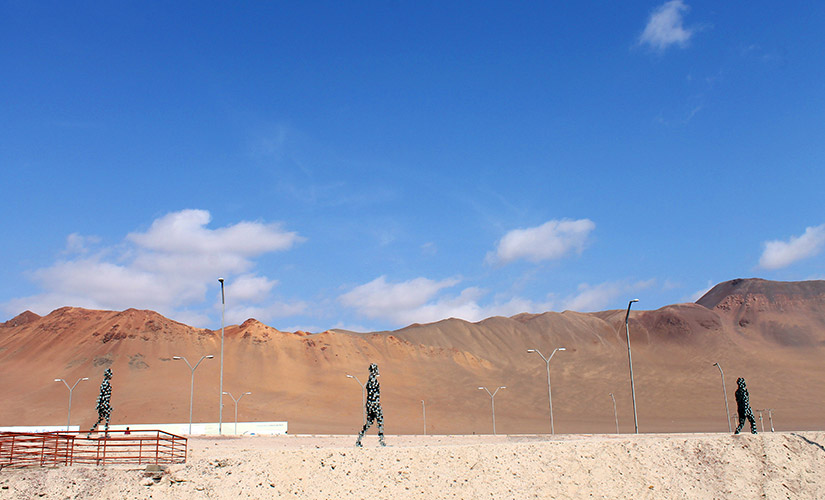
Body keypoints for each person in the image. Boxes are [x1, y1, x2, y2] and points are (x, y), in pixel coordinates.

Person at [356, 363, 386, 447]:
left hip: (370, 404)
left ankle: (359, 439)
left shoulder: (370, 380)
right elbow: (374, 393)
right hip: (374, 404)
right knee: (380, 420)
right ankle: (381, 441)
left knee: (369, 423)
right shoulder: (373, 380)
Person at [88, 368, 113, 437]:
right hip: (104, 404)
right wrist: (104, 404)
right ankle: (105, 433)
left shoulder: (105, 383)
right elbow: (103, 395)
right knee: (106, 418)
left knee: (101, 419)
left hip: (104, 403)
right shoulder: (105, 384)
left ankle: (90, 432)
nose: (111, 376)